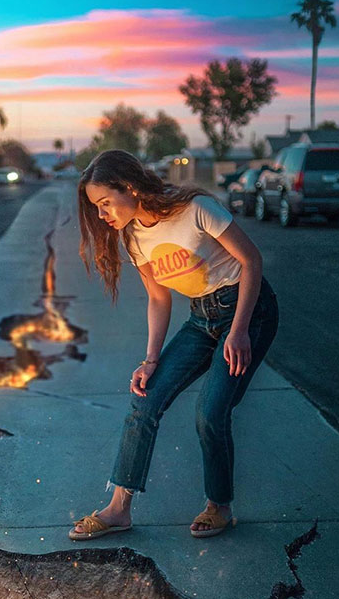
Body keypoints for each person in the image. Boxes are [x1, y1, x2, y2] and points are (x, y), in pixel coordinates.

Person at [69, 149, 279, 540]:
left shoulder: (196, 209)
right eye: (96, 207)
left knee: (210, 412)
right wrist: (150, 361)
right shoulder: (132, 236)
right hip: (202, 317)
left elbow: (251, 261)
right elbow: (159, 298)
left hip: (250, 309)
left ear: (129, 188)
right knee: (145, 399)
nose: (101, 214)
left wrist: (240, 330)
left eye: (104, 203)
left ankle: (219, 506)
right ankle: (118, 510)